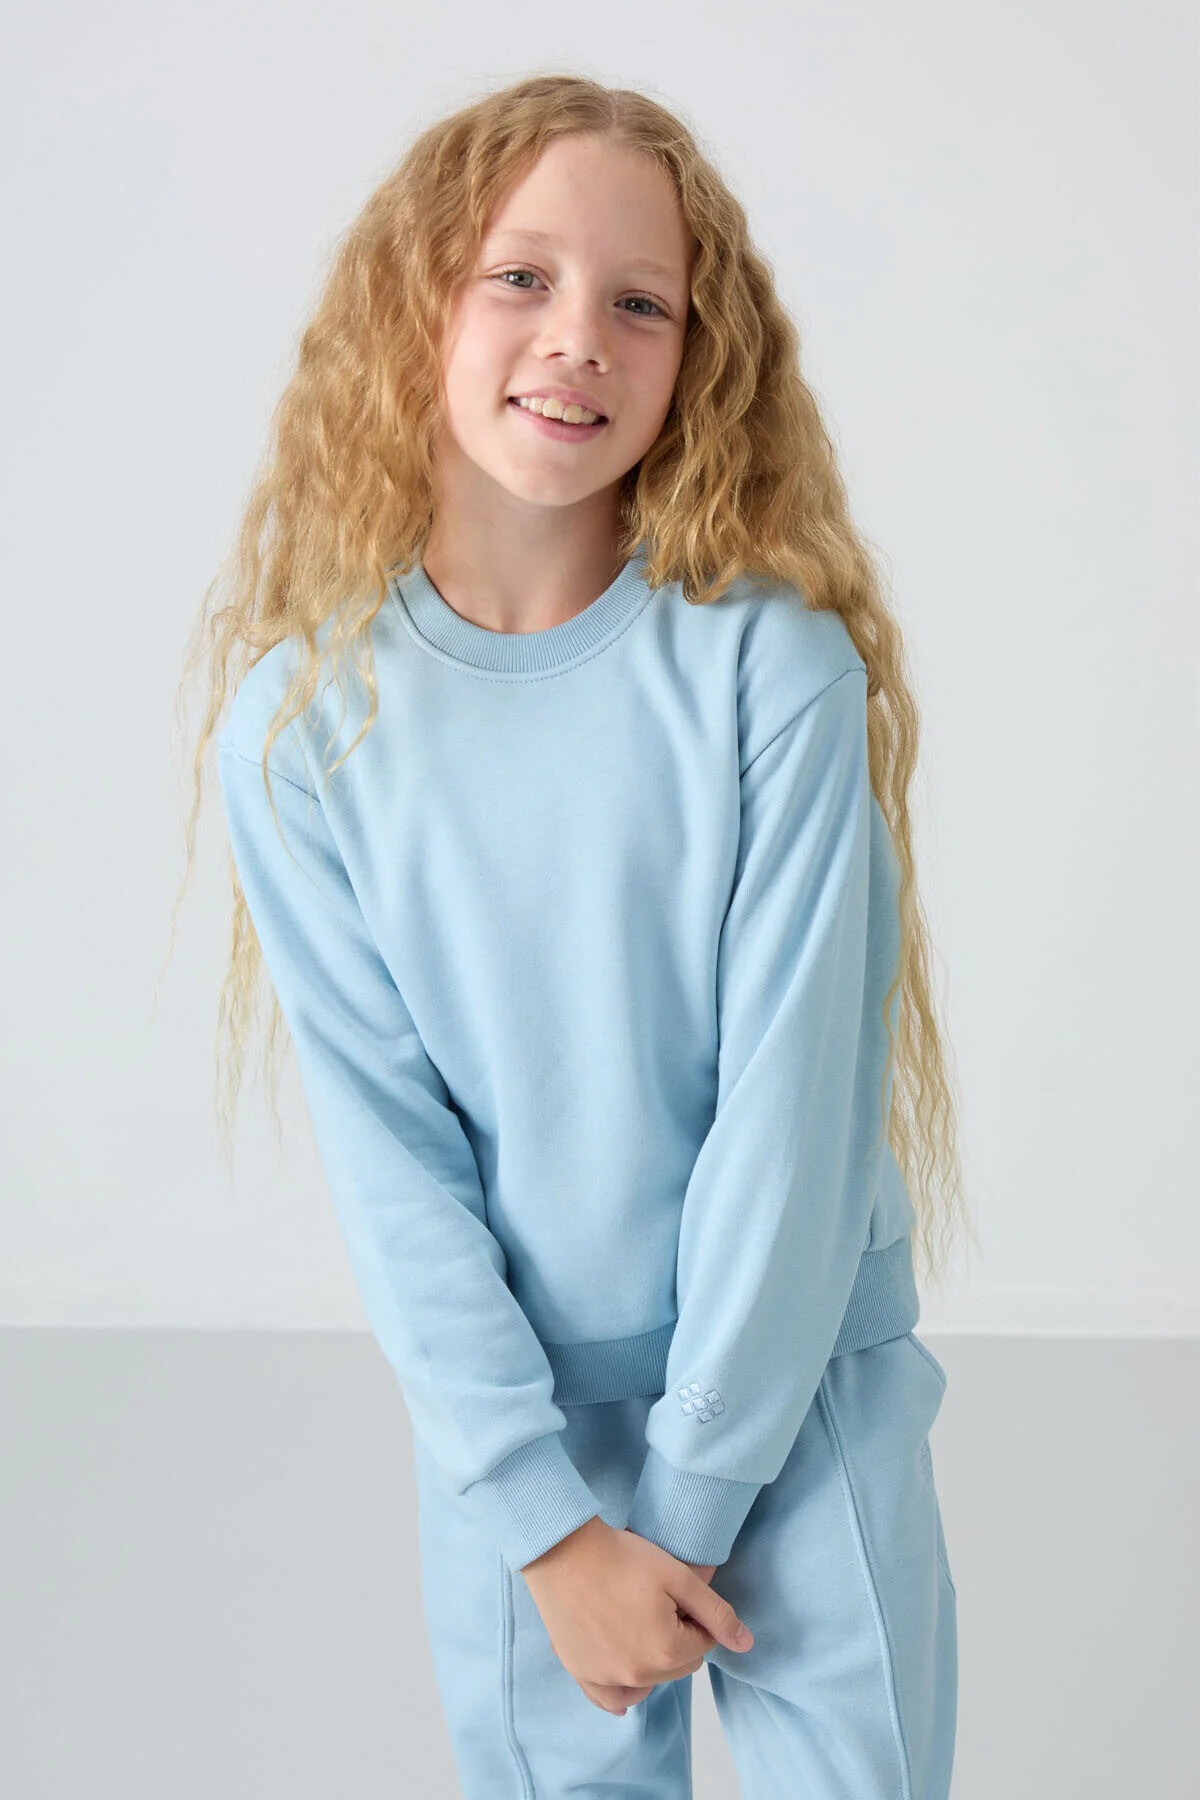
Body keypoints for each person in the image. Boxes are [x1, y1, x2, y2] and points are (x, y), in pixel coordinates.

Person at [174, 70, 976, 1799]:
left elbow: (792, 1119)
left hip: (799, 1401)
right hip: (522, 1456)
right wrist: (549, 1530)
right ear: (417, 305)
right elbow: (395, 1168)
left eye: (640, 304)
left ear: (701, 361)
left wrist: (682, 1509)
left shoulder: (773, 675)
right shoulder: (302, 731)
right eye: (521, 277)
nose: (578, 339)